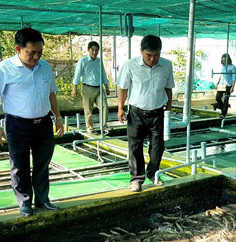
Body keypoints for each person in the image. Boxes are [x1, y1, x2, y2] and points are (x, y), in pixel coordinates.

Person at [0, 28, 64, 217]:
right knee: (19, 165)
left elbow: (51, 93)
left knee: (42, 163)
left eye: (39, 52)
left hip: (43, 123)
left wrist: (58, 117)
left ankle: (43, 199)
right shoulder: (4, 69)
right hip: (17, 124)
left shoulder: (44, 67)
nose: (36, 57)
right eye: (31, 52)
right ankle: (24, 202)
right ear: (18, 49)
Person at [117, 35, 175, 192]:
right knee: (135, 147)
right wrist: (120, 108)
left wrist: (168, 109)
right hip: (136, 113)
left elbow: (168, 88)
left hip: (157, 113)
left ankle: (153, 174)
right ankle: (136, 179)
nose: (153, 58)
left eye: (156, 55)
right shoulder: (130, 65)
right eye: (149, 55)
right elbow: (122, 87)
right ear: (141, 51)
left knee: (157, 146)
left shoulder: (166, 65)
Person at [72, 41, 111, 135]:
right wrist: (74, 88)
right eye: (92, 50)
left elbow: (103, 74)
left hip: (99, 88)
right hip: (87, 88)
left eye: (96, 50)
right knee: (88, 109)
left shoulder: (99, 61)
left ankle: (104, 125)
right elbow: (77, 75)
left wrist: (106, 86)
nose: (94, 52)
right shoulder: (83, 61)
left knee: (104, 106)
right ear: (88, 50)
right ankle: (90, 128)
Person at [212, 54, 236, 119]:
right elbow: (221, 76)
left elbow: (234, 77)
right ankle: (221, 106)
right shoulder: (223, 67)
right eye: (222, 60)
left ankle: (223, 113)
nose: (223, 61)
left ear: (228, 59)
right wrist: (217, 84)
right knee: (218, 97)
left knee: (226, 98)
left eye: (225, 60)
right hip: (222, 85)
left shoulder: (232, 67)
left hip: (228, 85)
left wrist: (233, 87)